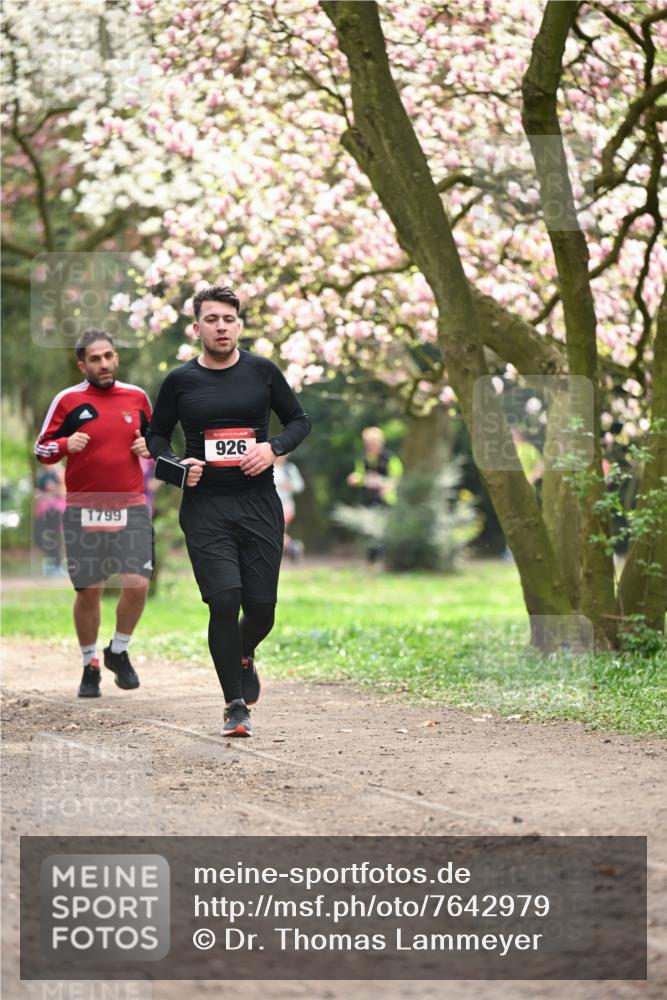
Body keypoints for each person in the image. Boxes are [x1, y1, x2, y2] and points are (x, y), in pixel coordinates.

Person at [146, 285, 311, 738]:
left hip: (259, 503)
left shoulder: (262, 372)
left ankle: (244, 653)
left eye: (229, 319)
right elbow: (155, 439)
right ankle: (234, 704)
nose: (222, 327)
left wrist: (272, 448)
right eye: (213, 319)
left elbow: (300, 421)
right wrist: (179, 467)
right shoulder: (180, 381)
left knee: (261, 611)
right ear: (196, 326)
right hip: (206, 507)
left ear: (238, 324)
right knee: (223, 601)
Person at [34, 329, 153, 698]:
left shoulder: (137, 397)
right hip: (84, 508)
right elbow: (42, 449)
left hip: (131, 505)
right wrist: (67, 443)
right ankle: (90, 663)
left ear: (116, 357)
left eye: (109, 356)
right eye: (96, 359)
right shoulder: (68, 401)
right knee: (90, 590)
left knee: (137, 583)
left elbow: (158, 442)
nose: (104, 363)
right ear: (82, 364)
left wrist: (149, 445)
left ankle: (118, 650)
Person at [346, 426, 403, 561]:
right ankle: (372, 559)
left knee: (382, 530)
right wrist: (355, 478)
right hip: (369, 498)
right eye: (368, 443)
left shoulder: (390, 458)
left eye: (373, 443)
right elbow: (360, 476)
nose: (370, 446)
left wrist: (386, 486)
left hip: (386, 499)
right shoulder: (362, 458)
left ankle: (384, 558)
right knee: (369, 530)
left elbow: (397, 477)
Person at [33, 461, 66, 576]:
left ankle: (57, 566)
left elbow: (65, 491)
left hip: (56, 510)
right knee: (38, 537)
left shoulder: (59, 472)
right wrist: (39, 494)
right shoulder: (41, 474)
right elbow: (39, 491)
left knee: (55, 537)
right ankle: (54, 559)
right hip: (43, 509)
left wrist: (54, 488)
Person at [273, 454, 305, 561]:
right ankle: (294, 546)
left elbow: (300, 486)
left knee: (276, 531)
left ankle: (292, 547)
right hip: (271, 505)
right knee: (278, 533)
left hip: (285, 505)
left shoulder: (289, 468)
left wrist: (290, 485)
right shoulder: (268, 467)